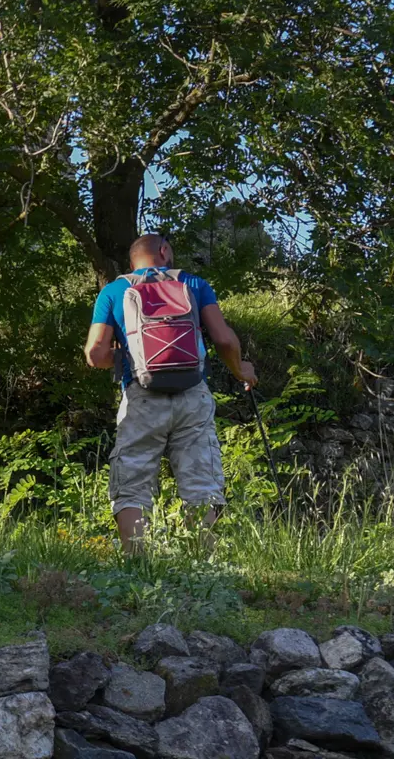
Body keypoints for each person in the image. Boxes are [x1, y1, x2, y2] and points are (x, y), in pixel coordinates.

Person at [83, 232, 256, 554]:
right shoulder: (195, 285)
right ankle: (199, 562)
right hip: (192, 395)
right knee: (201, 482)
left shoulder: (114, 291)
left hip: (141, 398)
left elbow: (95, 354)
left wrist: (122, 359)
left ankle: (137, 563)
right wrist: (240, 370)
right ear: (163, 251)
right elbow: (225, 340)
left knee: (132, 483)